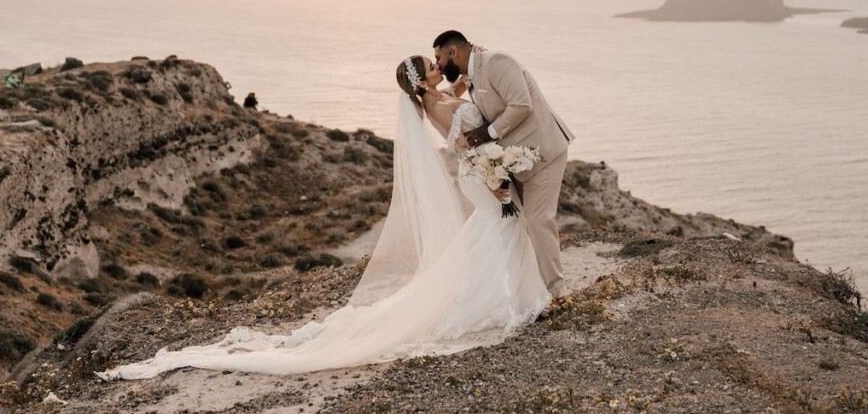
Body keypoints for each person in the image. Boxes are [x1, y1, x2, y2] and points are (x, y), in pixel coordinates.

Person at [96, 54, 550, 380]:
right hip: (481, 174)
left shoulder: (438, 96)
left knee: (495, 233)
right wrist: (496, 177)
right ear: (421, 82)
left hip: (479, 173)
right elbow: (468, 141)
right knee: (501, 228)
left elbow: (464, 111)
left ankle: (505, 295)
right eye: (431, 65)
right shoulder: (436, 102)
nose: (438, 65)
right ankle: (503, 300)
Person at [433, 30, 574, 298]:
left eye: (438, 57)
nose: (438, 64)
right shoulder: (470, 74)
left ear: (453, 52)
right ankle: (529, 292)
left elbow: (521, 105)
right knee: (518, 223)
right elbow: (449, 93)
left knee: (537, 220)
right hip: (514, 160)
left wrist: (486, 134)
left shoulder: (497, 62)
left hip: (543, 151)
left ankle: (558, 293)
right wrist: (423, 94)